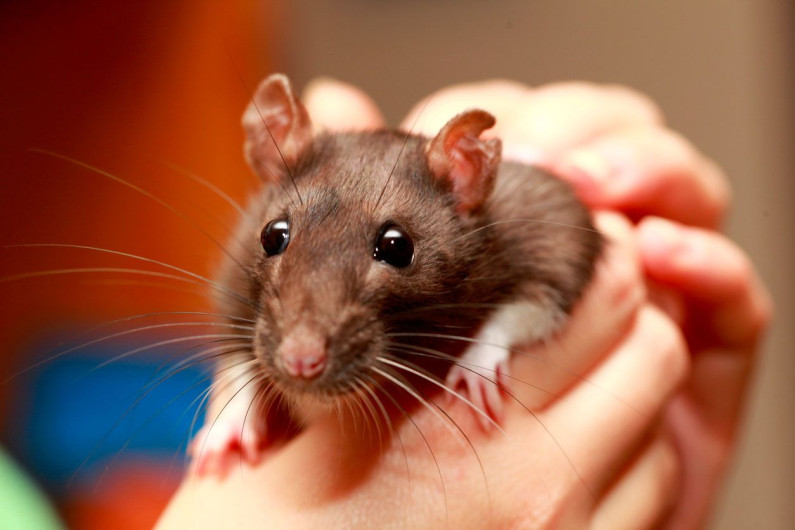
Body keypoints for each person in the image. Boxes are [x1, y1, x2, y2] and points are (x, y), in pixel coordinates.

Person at [156, 79, 772, 529]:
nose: (302, 354)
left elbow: (564, 240)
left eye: (393, 248)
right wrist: (237, 395)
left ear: (466, 175)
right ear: (272, 146)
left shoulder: (509, 221)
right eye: (277, 239)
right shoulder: (268, 234)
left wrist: (497, 337)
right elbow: (239, 313)